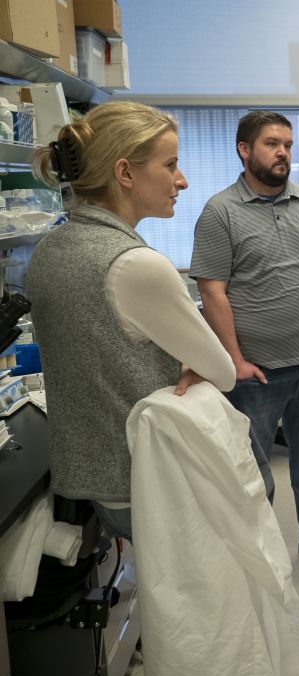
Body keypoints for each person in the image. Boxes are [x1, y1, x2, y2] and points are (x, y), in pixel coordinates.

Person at [26, 101, 236, 539]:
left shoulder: (52, 248)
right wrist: (187, 359)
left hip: (97, 476)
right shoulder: (135, 264)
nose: (182, 180)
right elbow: (223, 372)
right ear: (125, 174)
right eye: (171, 165)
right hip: (148, 481)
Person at [191, 110, 299, 563]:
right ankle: (257, 550)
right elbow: (211, 289)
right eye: (271, 143)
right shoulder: (220, 211)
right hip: (258, 371)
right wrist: (234, 359)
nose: (283, 152)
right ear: (244, 150)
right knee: (252, 467)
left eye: (287, 143)